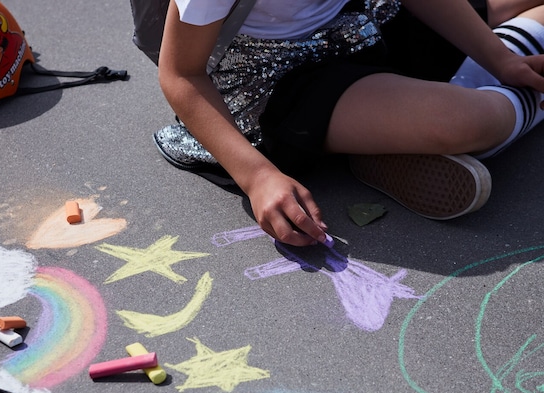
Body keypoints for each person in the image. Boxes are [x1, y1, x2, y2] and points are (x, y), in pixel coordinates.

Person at [156, 0, 544, 246]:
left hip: (365, 21)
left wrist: (499, 59)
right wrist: (257, 176)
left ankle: (387, 136)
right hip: (277, 80)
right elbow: (181, 74)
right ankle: (410, 126)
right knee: (473, 121)